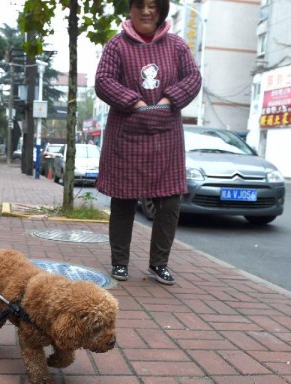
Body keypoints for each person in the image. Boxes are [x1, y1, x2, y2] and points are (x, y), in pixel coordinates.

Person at [94, 0, 201, 284]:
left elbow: (193, 78)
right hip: (126, 134)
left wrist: (168, 100)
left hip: (166, 135)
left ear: (162, 10)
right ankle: (119, 262)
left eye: (152, 5)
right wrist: (136, 102)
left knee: (169, 202)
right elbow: (103, 81)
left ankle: (159, 263)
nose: (146, 11)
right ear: (131, 9)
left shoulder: (177, 45)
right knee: (123, 201)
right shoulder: (116, 45)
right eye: (140, 5)